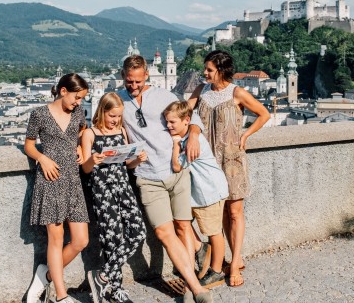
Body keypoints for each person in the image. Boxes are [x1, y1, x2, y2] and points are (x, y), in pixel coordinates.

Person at [117, 55, 213, 303]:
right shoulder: (119, 101)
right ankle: (197, 288)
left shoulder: (164, 96)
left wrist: (192, 136)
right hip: (147, 177)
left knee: (182, 227)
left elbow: (192, 117)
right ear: (123, 77)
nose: (134, 86)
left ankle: (192, 280)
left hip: (177, 171)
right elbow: (100, 124)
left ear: (146, 75)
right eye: (129, 81)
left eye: (138, 81)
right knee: (163, 232)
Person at [188, 50, 270, 287]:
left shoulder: (237, 93)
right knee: (219, 213)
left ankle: (234, 263)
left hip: (232, 160)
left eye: (209, 70)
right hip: (207, 162)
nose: (205, 73)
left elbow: (264, 114)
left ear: (221, 71)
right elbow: (185, 112)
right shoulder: (201, 91)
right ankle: (225, 258)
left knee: (235, 212)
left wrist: (246, 135)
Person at [24, 73, 90, 303]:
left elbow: (82, 131)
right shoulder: (39, 114)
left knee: (81, 240)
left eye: (81, 98)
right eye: (76, 97)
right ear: (63, 91)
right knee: (56, 238)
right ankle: (61, 296)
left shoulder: (79, 113)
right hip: (50, 180)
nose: (78, 102)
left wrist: (82, 147)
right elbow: (29, 146)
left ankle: (47, 274)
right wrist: (42, 159)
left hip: (72, 179)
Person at [81, 92, 147, 303]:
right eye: (112, 116)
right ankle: (116, 289)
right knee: (112, 239)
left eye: (118, 116)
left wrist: (137, 159)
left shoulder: (121, 131)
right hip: (102, 190)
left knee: (138, 232)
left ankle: (102, 275)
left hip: (123, 187)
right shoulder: (90, 134)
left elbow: (127, 165)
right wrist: (93, 159)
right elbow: (85, 168)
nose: (115, 120)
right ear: (102, 111)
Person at [165, 101, 228, 289]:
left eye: (172, 122)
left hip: (209, 192)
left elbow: (177, 166)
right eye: (167, 122)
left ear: (186, 121)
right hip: (203, 192)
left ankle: (216, 272)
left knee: (214, 232)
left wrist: (175, 145)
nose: (168, 126)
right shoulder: (189, 137)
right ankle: (203, 252)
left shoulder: (193, 142)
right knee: (189, 224)